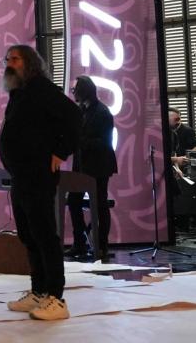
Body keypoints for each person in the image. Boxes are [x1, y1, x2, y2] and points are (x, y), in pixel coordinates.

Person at [0, 44, 79, 322]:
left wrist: (61, 151)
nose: (9, 63)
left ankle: (56, 297)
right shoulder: (19, 92)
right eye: (7, 59)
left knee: (44, 234)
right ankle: (39, 291)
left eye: (15, 59)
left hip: (39, 175)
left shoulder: (42, 89)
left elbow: (74, 117)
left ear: (30, 63)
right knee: (28, 235)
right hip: (22, 176)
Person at [66, 76, 117, 263]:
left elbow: (104, 142)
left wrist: (80, 141)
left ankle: (102, 245)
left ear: (83, 91)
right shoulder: (82, 110)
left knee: (100, 204)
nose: (73, 94)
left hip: (99, 166)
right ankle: (79, 242)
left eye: (74, 90)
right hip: (82, 165)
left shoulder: (102, 113)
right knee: (73, 201)